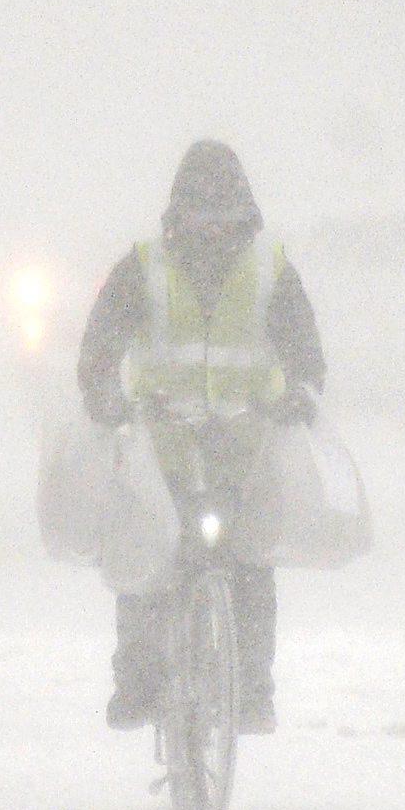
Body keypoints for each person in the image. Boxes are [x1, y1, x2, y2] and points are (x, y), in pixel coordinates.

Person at [77, 139, 325, 734]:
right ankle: (136, 683)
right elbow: (101, 344)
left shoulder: (271, 271)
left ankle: (252, 693)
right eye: (200, 212)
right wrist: (104, 393)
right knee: (145, 553)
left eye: (224, 213)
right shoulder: (142, 270)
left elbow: (305, 351)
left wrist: (302, 393)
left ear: (244, 211)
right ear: (178, 212)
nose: (212, 226)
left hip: (245, 446)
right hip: (160, 447)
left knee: (248, 561)